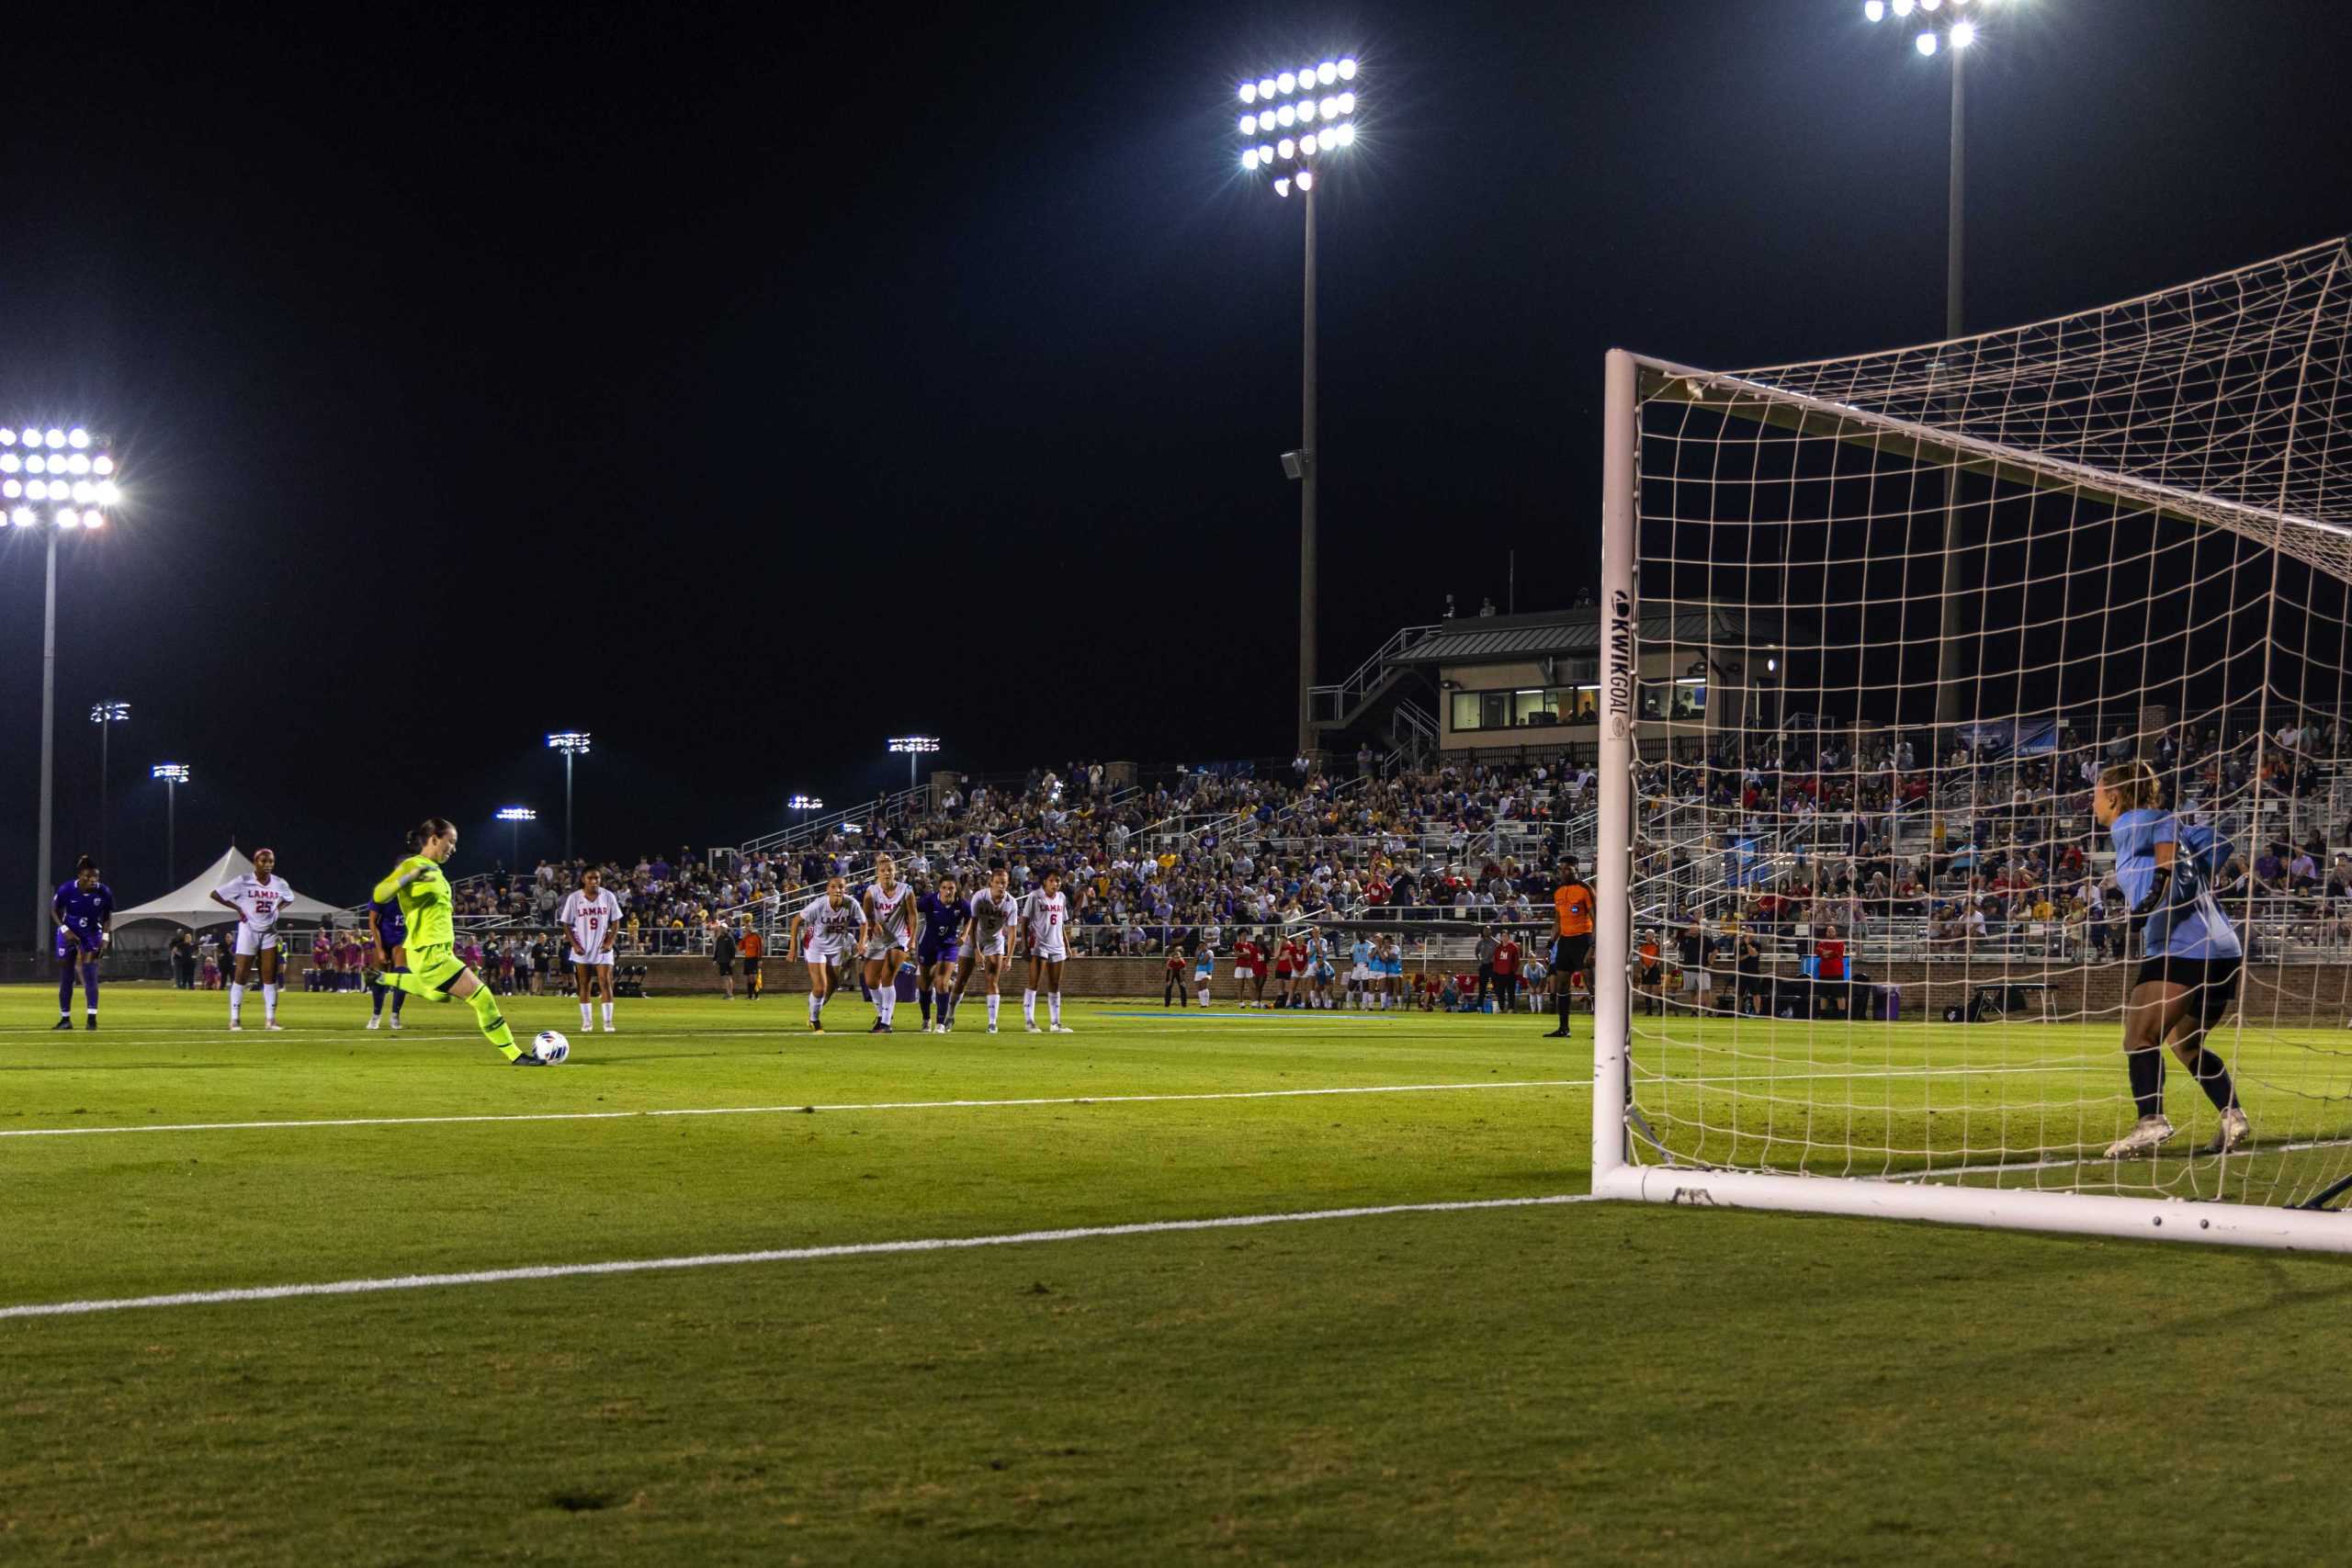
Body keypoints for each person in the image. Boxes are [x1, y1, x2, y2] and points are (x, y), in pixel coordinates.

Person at [2097, 761, 2249, 1158]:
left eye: (2096, 794)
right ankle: (2233, 1115)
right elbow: (2220, 842)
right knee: (2187, 1045)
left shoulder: (2129, 823)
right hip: (2224, 948)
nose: (2092, 802)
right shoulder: (2171, 833)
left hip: (2181, 945)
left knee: (2139, 1038)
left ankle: (2151, 1121)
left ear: (2113, 796)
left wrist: (2163, 878)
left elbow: (2163, 821)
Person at [367, 818, 541, 1063]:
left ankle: (383, 978)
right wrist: (410, 876)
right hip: (430, 953)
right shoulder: (414, 864)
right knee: (482, 997)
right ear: (435, 839)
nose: (454, 848)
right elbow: (379, 893)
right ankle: (516, 1055)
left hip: (430, 952)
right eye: (451, 842)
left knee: (442, 995)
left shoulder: (433, 869)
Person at [210, 848, 295, 1032]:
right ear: (255, 862)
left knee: (270, 977)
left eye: (271, 861)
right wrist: (238, 908)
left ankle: (270, 1020)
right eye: (263, 861)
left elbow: (290, 898)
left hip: (269, 932)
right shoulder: (243, 881)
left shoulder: (280, 883)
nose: (268, 865)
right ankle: (235, 1020)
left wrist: (278, 909)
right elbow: (215, 894)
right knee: (241, 975)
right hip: (248, 930)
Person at [790, 875, 866, 1034]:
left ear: (845, 889)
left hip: (836, 948)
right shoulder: (819, 905)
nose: (837, 890)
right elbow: (796, 920)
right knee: (820, 987)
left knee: (833, 986)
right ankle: (814, 1020)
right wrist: (793, 948)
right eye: (833, 886)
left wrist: (861, 943)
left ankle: (814, 1006)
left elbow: (864, 923)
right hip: (815, 947)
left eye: (841, 887)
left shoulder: (851, 903)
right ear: (827, 889)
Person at [51, 855, 114, 1031]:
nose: (92, 880)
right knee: (66, 977)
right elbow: (54, 910)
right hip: (68, 934)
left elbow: (108, 915)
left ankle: (92, 1019)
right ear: (79, 876)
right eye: (88, 877)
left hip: (91, 934)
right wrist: (65, 930)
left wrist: (105, 937)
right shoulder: (67, 889)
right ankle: (65, 1019)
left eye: (96, 877)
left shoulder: (104, 892)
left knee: (90, 973)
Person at [556, 867, 622, 1032]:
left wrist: (610, 942)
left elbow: (616, 922)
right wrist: (575, 945)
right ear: (583, 879)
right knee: (584, 984)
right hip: (582, 948)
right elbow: (566, 924)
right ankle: (587, 1023)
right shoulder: (574, 898)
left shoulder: (608, 896)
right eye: (590, 878)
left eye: (597, 878)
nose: (594, 881)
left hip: (602, 947)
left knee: (605, 981)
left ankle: (608, 1022)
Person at [956, 867, 1017, 1033]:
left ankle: (992, 1023)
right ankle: (948, 1016)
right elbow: (972, 925)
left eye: (1003, 883)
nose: (1000, 886)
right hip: (974, 938)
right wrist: (976, 950)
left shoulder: (1011, 902)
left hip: (994, 940)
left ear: (1008, 883)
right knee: (962, 979)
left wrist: (1009, 957)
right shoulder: (980, 897)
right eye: (997, 882)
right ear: (991, 883)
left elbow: (1012, 932)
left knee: (992, 980)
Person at [862, 853, 916, 1034]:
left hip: (899, 938)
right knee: (870, 980)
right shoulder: (871, 891)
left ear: (896, 872)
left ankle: (885, 1023)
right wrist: (872, 923)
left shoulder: (906, 890)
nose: (887, 873)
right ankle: (883, 1015)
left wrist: (913, 938)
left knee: (887, 977)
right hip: (878, 940)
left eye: (890, 870)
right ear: (877, 873)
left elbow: (913, 915)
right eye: (883, 871)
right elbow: (866, 915)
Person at [1020, 865, 1074, 1033]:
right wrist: (1025, 945)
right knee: (1034, 982)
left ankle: (1055, 1023)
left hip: (1057, 945)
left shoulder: (1062, 898)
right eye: (1051, 880)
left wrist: (1067, 946)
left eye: (1057, 880)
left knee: (1055, 984)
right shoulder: (1035, 897)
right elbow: (1025, 921)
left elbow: (1062, 923)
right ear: (1045, 882)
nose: (1055, 883)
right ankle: (1029, 1021)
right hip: (1039, 944)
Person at [1546, 858, 1596, 1039]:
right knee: (1562, 983)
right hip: (1565, 941)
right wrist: (1551, 943)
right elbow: (1558, 921)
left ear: (1576, 870)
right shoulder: (1559, 892)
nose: (1564, 872)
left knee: (1591, 984)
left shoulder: (1585, 889)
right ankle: (1563, 1028)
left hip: (1583, 939)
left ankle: (1601, 1030)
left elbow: (1597, 918)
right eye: (1561, 870)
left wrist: (1593, 946)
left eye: (1568, 869)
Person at [915, 874, 969, 1033]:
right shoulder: (929, 900)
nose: (947, 891)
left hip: (949, 945)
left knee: (941, 982)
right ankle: (926, 1019)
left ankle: (940, 1023)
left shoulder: (961, 904)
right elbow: (912, 910)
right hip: (927, 944)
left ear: (956, 889)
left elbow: (970, 918)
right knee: (924, 982)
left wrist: (965, 934)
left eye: (951, 888)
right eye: (944, 888)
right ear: (940, 888)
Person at [367, 869, 410, 1032]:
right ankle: (376, 1015)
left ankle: (395, 1015)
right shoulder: (383, 892)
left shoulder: (415, 894)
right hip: (383, 938)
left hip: (402, 939)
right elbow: (372, 922)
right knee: (378, 977)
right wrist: (380, 949)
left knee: (402, 976)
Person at [1491, 928, 1522, 1014]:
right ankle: (1501, 1008)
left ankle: (1510, 1008)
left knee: (1511, 992)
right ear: (1500, 937)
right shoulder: (1498, 948)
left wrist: (1513, 971)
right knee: (1500, 992)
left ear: (1509, 937)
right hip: (1499, 974)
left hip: (1510, 974)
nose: (1504, 938)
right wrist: (1495, 972)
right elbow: (1496, 960)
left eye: (1506, 936)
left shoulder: (1513, 947)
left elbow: (1517, 961)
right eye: (1503, 936)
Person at [711, 917, 738, 1000]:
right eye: (721, 928)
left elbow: (733, 949)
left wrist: (732, 959)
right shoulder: (719, 938)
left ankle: (730, 994)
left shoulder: (729, 938)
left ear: (726, 928)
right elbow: (717, 949)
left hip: (728, 960)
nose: (722, 929)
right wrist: (715, 959)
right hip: (721, 960)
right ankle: (727, 993)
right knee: (724, 977)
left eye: (723, 928)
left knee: (728, 976)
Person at [740, 923, 765, 1000]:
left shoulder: (756, 936)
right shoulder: (746, 937)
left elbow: (760, 948)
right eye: (746, 927)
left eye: (748, 927)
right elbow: (740, 947)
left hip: (754, 959)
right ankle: (749, 995)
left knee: (753, 978)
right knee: (748, 978)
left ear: (752, 928)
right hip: (747, 959)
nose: (747, 929)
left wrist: (760, 959)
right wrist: (743, 938)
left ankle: (757, 996)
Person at [1162, 938, 1190, 1008]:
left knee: (1182, 987)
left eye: (1178, 957)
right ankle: (1167, 1004)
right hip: (1171, 971)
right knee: (1168, 987)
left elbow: (1181, 973)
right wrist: (1170, 981)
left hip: (1180, 971)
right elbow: (1171, 972)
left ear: (1180, 957)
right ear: (1173, 957)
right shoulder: (1170, 962)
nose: (1177, 959)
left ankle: (1184, 1005)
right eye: (1175, 958)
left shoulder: (1182, 963)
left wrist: (1182, 981)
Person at [1192, 936, 1216, 1009]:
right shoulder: (1199, 953)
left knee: (1204, 986)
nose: (1201, 947)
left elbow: (1204, 962)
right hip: (1198, 971)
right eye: (1200, 946)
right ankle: (1202, 1004)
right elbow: (1194, 963)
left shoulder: (1210, 952)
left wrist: (1198, 960)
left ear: (1206, 945)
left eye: (1202, 946)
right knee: (1199, 988)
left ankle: (1206, 1003)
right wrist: (1197, 954)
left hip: (1207, 972)